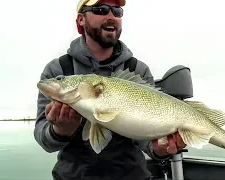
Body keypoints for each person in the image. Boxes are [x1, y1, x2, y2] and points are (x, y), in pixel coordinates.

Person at [34, 0, 186, 179]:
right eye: (101, 10)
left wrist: (160, 149)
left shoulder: (138, 70)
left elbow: (145, 139)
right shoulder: (58, 70)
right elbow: (43, 138)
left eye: (117, 11)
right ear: (80, 21)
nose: (111, 16)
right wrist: (60, 131)